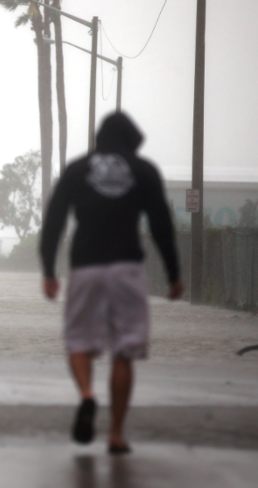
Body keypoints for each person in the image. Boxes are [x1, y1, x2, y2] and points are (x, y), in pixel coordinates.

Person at [39, 112, 183, 454]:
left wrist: (48, 270)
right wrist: (174, 273)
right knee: (124, 350)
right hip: (126, 268)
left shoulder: (77, 169)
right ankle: (116, 434)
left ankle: (87, 396)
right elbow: (161, 223)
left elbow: (55, 220)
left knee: (78, 341)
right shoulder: (143, 170)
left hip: (85, 267)